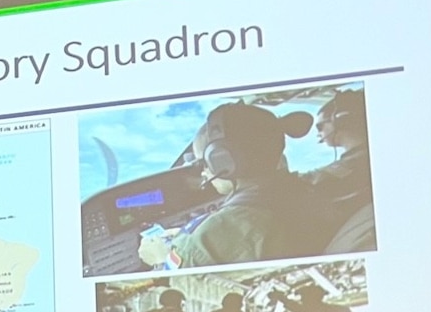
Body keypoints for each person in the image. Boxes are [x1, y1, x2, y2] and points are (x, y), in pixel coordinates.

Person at [139, 101, 329, 271]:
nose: (203, 171)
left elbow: (178, 283)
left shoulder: (237, 222)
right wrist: (185, 233)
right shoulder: (298, 188)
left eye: (202, 162)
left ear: (223, 161)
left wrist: (159, 258)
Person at [308, 89, 375, 253]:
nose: (319, 132)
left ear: (341, 119)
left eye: (320, 125)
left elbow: (312, 183)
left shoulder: (357, 163)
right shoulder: (368, 155)